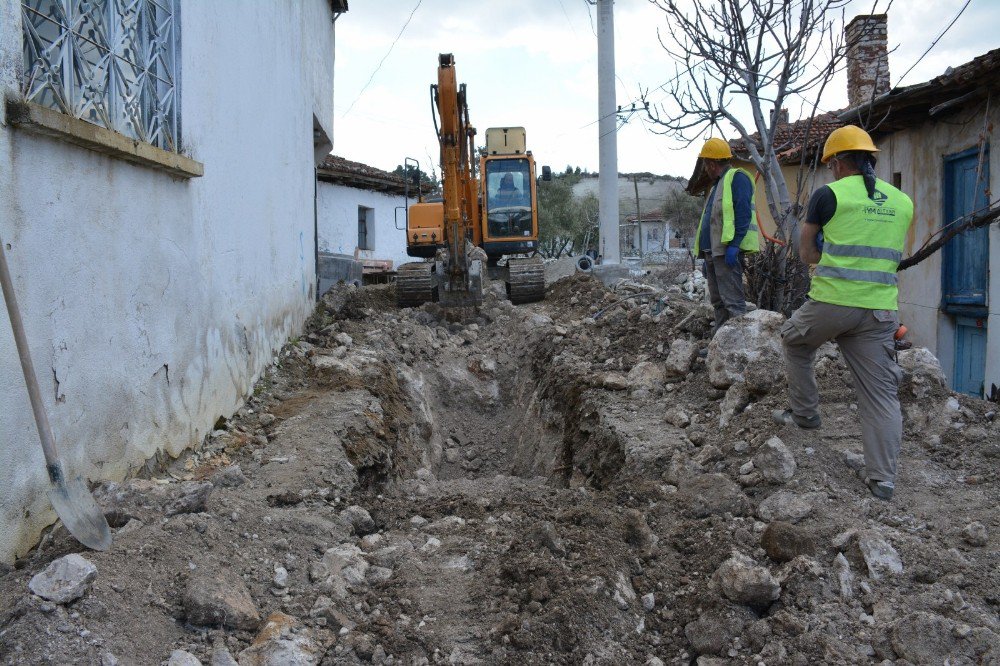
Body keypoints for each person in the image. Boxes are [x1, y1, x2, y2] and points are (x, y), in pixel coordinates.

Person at [773, 125, 914, 502]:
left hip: (833, 303)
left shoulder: (828, 195)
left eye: (830, 163)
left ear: (836, 162)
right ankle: (882, 479)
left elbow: (807, 255)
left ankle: (806, 415)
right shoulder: (902, 201)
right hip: (880, 311)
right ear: (870, 158)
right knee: (880, 395)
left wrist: (823, 245)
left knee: (794, 341)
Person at [691, 137, 759, 333]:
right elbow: (712, 220)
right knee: (718, 302)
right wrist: (706, 255)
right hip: (713, 252)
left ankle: (738, 346)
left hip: (726, 251)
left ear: (711, 164)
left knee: (733, 303)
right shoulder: (716, 186)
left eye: (705, 163)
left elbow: (743, 213)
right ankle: (719, 344)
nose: (704, 167)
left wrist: (735, 245)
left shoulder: (737, 178)